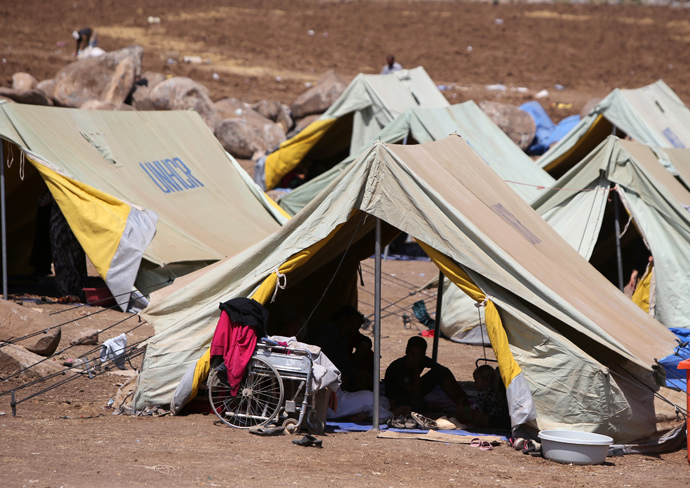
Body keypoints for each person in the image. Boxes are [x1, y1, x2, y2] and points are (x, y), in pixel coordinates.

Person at [384, 336, 468, 417]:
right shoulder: (398, 367)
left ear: (423, 355)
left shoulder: (422, 360)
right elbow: (415, 394)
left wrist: (461, 394)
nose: (414, 357)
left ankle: (460, 403)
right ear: (406, 351)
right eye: (411, 353)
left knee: (439, 372)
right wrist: (416, 371)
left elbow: (444, 370)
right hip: (397, 399)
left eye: (418, 355)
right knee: (416, 405)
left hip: (412, 393)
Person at [304, 305, 373, 392]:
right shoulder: (327, 331)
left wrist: (364, 344)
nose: (353, 330)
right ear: (342, 319)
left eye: (356, 328)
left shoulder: (343, 335)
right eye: (352, 324)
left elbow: (363, 340)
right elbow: (327, 361)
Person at [468, 364, 511, 430]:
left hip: (489, 420)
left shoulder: (483, 394)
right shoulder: (499, 393)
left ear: (485, 381)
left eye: (476, 381)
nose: (475, 384)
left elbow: (478, 409)